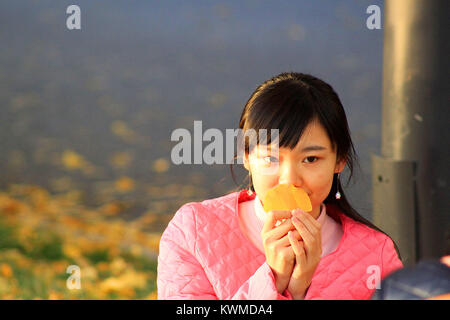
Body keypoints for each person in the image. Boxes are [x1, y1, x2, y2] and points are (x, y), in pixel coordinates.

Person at [157, 72, 403, 300]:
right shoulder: (194, 232)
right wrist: (276, 280)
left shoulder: (376, 257)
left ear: (339, 160)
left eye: (310, 159)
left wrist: (297, 289)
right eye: (271, 158)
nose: (289, 180)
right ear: (246, 156)